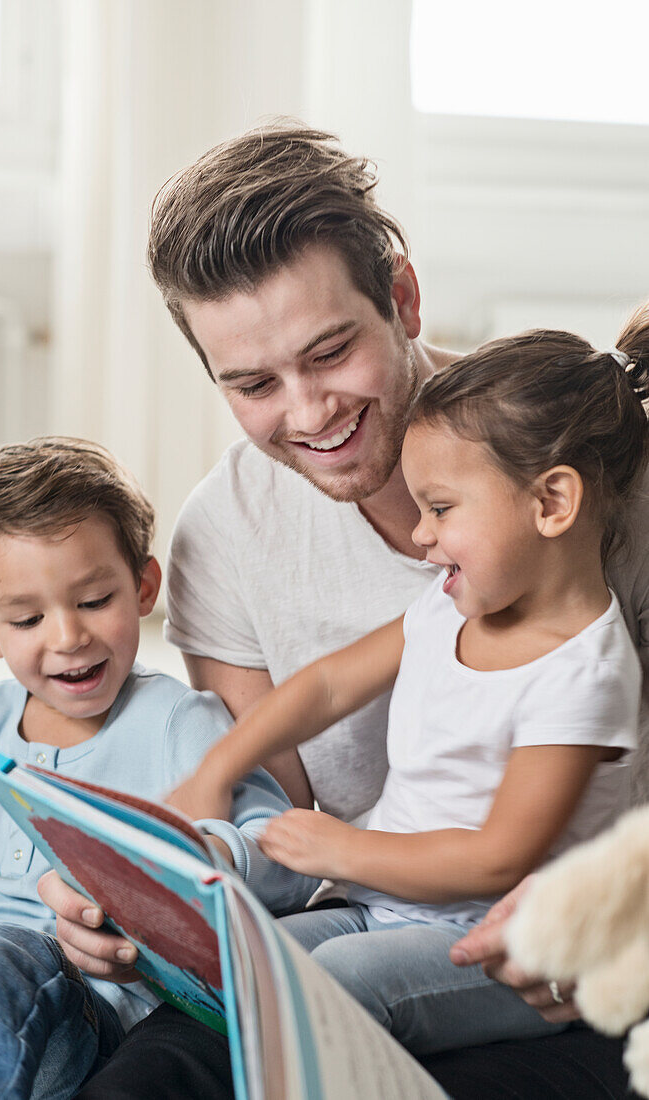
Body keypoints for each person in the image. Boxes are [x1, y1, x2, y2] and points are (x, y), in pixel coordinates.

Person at [42, 124, 647, 1098]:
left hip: (571, 961)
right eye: (251, 383)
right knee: (146, 1075)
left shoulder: (588, 475)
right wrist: (143, 884)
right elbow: (275, 811)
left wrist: (621, 903)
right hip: (371, 908)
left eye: (329, 352)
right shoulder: (226, 536)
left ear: (400, 298)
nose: (308, 410)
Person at [169, 317, 648, 1054]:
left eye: (442, 508)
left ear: (552, 503)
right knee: (240, 963)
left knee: (333, 984)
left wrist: (341, 852)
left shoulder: (582, 675)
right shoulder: (446, 606)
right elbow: (327, 685)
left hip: (490, 947)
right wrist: (218, 769)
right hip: (381, 907)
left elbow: (498, 858)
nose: (420, 536)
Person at [0, 437, 317, 1099]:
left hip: (82, 1018)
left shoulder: (178, 720)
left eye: (94, 601)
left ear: (143, 588)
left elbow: (285, 857)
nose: (68, 636)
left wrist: (203, 851)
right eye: (26, 618)